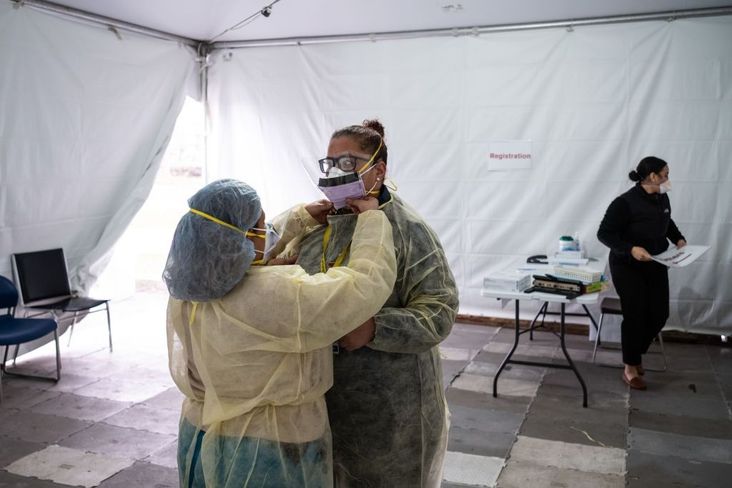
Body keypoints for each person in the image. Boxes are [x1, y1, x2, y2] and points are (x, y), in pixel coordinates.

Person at [163, 178, 397, 487]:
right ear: (240, 238)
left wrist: (301, 217)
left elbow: (244, 249)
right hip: (267, 447)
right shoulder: (277, 294)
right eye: (261, 225)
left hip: (200, 433)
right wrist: (372, 220)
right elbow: (362, 286)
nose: (268, 232)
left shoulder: (187, 287)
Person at [295, 120, 459, 487]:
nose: (336, 172)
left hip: (390, 408)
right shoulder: (321, 223)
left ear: (379, 170)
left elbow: (440, 310)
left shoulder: (408, 229)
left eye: (348, 164)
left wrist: (374, 328)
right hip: (325, 400)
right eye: (331, 163)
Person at [597, 156, 686, 390]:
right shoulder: (624, 203)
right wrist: (630, 249)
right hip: (627, 265)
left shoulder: (661, 196)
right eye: (665, 174)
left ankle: (635, 354)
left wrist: (677, 238)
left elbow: (666, 221)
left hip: (656, 262)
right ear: (653, 176)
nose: (668, 178)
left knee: (659, 314)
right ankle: (630, 367)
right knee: (635, 314)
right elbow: (604, 234)